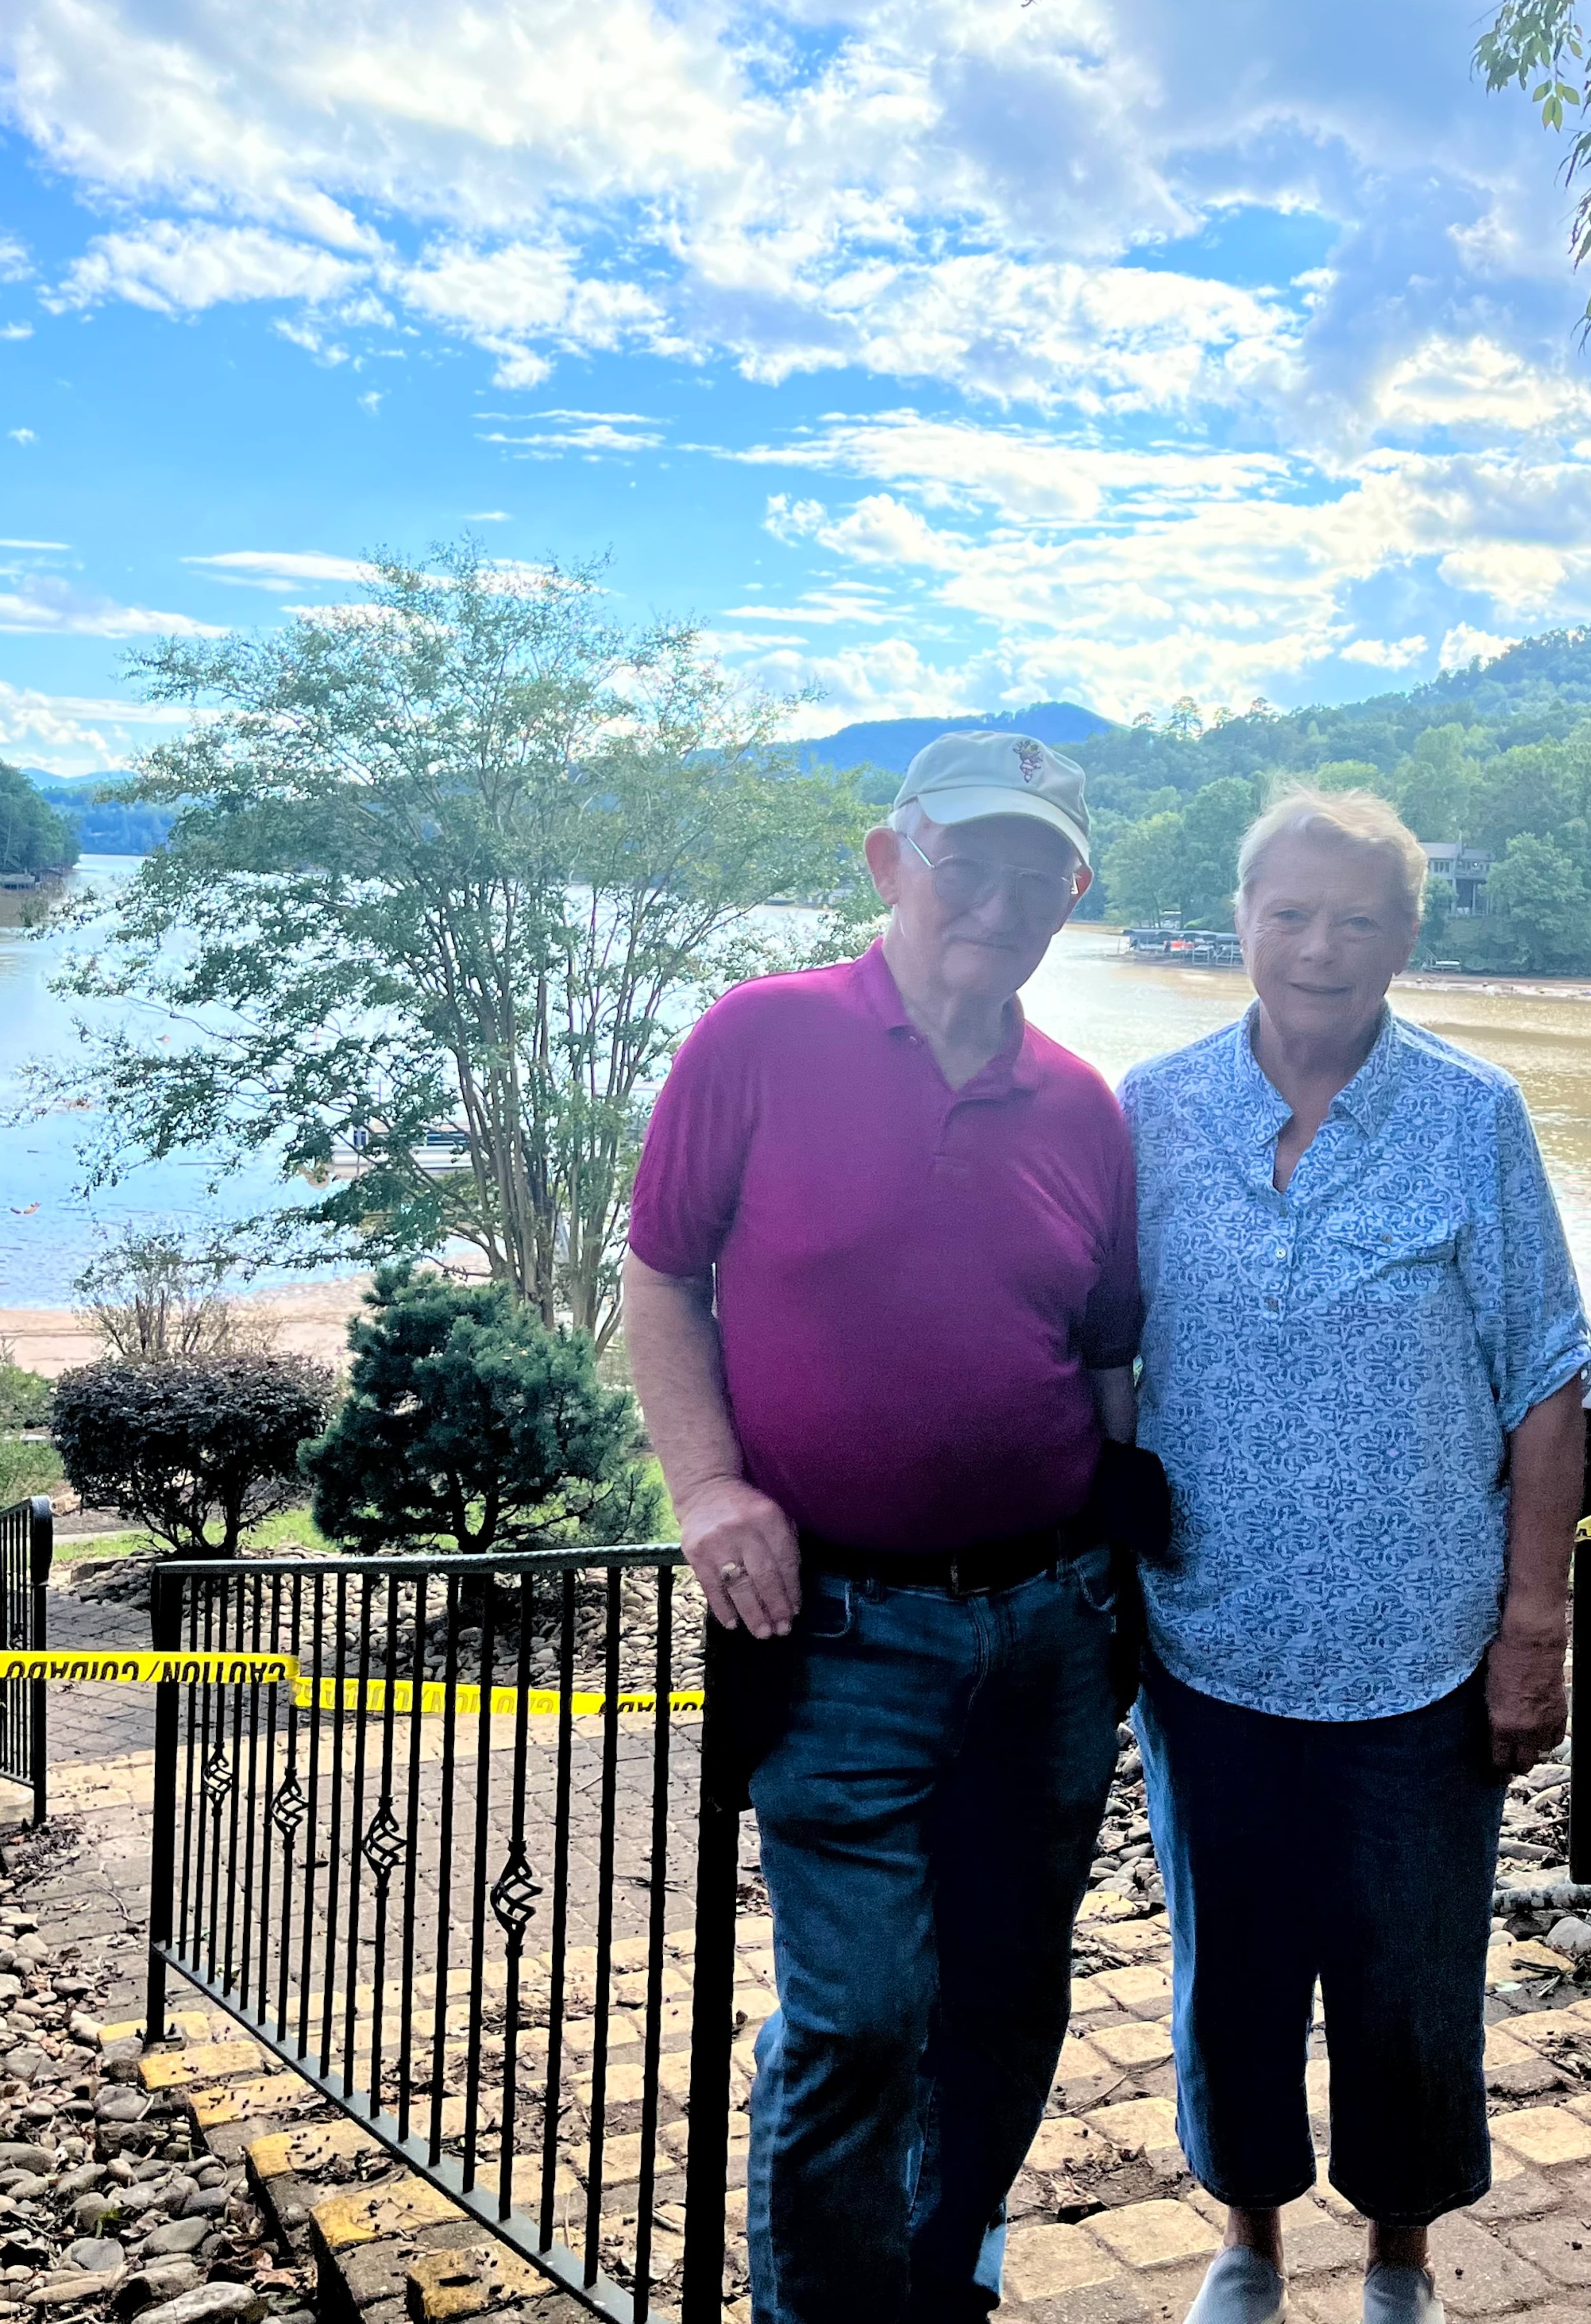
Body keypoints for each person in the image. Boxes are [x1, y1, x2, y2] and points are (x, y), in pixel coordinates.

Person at [620, 730, 1140, 2324]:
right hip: (835, 1627)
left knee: (1009, 1993)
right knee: (857, 2016)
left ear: (1074, 898)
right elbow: (661, 1274)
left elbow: (1106, 1357)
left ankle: (943, 2274)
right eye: (965, 860)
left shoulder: (1083, 1108)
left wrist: (1127, 1559)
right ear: (889, 859)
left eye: (1037, 874)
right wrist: (708, 1488)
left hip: (1052, 1628)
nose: (997, 900)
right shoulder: (760, 1038)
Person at [1120, 789, 1591, 2324]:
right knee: (1231, 1971)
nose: (1320, 946)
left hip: (1421, 1649)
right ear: (1241, 919)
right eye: (1291, 913)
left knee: (1410, 1978)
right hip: (1210, 1636)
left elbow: (1546, 1378)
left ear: (1405, 938)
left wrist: (1535, 1627)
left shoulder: (1472, 1114)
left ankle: (1400, 2255)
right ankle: (1248, 2238)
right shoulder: (1151, 1111)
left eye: (1359, 919)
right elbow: (1103, 1356)